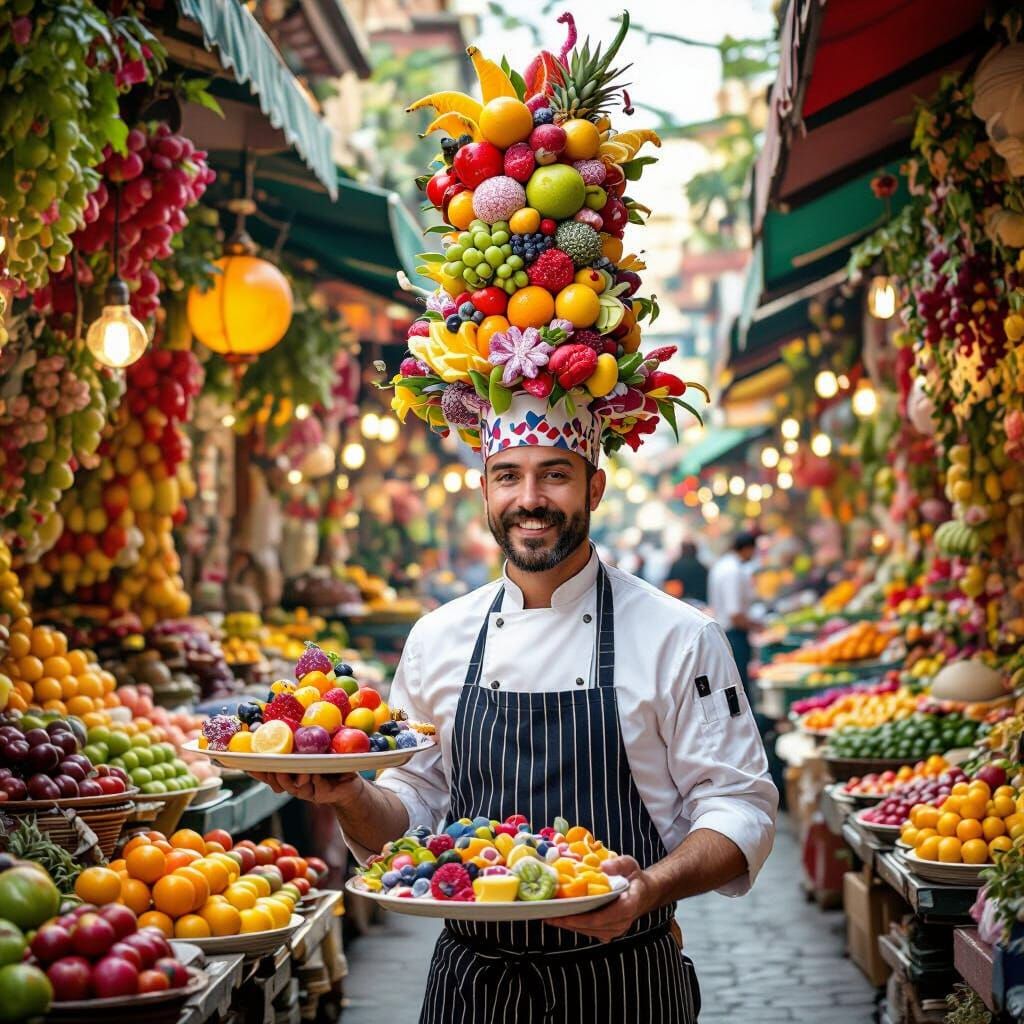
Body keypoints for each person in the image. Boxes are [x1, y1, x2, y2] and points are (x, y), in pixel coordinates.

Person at [252, 394, 777, 1023]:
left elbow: (739, 804)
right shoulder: (437, 638)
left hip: (626, 981)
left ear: (595, 487)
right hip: (474, 987)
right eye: (509, 475)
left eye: (555, 473)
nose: (530, 498)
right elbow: (410, 816)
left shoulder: (681, 637)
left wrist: (649, 890)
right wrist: (347, 796)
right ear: (484, 491)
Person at [707, 532, 760, 699]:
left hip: (726, 632)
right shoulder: (733, 571)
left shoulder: (723, 565)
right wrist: (756, 626)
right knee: (740, 685)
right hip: (734, 634)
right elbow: (735, 614)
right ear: (747, 549)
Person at [664, 540, 708, 605]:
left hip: (680, 601)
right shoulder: (701, 566)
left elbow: (670, 584)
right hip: (698, 602)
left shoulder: (676, 565)